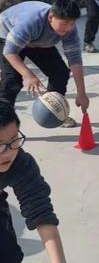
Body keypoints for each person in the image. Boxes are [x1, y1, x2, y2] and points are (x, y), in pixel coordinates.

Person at [0, 0, 89, 128]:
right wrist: (28, 75)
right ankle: (4, 124)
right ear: (51, 17)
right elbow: (10, 52)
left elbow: (75, 60)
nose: (69, 28)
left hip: (37, 41)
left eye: (72, 23)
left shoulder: (70, 29)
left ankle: (54, 111)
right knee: (12, 81)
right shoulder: (31, 22)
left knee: (60, 73)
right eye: (65, 23)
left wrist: (82, 93)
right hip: (5, 35)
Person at [0, 106, 66, 263]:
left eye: (14, 139)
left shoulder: (20, 163)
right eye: (0, 145)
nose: (8, 152)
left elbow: (41, 213)